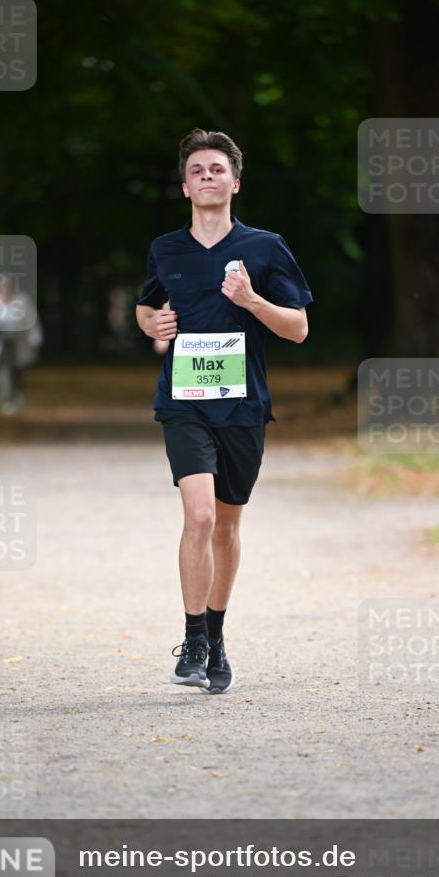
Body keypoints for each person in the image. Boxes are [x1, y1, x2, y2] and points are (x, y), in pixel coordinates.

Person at [135, 128, 313, 694]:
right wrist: (152, 324)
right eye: (196, 171)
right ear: (185, 186)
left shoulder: (265, 248)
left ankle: (215, 636)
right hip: (184, 403)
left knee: (227, 527)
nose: (206, 177)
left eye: (216, 169)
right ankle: (192, 642)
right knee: (200, 517)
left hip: (243, 407)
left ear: (235, 182)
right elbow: (146, 308)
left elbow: (300, 329)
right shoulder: (167, 249)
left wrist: (251, 301)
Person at [0, 274, 43, 414]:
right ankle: (7, 400)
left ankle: (19, 395)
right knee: (3, 371)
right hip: (1, 343)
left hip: (20, 342)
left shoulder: (23, 300)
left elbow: (32, 321)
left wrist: (36, 339)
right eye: (2, 285)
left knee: (19, 370)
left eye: (7, 285)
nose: (4, 288)